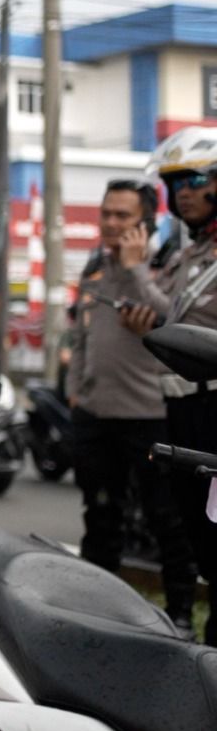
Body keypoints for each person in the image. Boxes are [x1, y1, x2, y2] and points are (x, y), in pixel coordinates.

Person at [66, 178, 197, 635]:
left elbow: (174, 319)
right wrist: (75, 389)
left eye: (122, 216)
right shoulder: (94, 266)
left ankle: (181, 615)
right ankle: (93, 610)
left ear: (146, 223)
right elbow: (81, 333)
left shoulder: (167, 266)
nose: (111, 223)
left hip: (150, 417)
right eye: (106, 213)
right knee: (99, 516)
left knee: (167, 521)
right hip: (95, 416)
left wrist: (137, 270)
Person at [123, 126, 217, 643]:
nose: (185, 189)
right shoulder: (190, 253)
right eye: (177, 180)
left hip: (213, 406)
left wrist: (138, 274)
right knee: (196, 535)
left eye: (198, 177)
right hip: (182, 408)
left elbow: (177, 321)